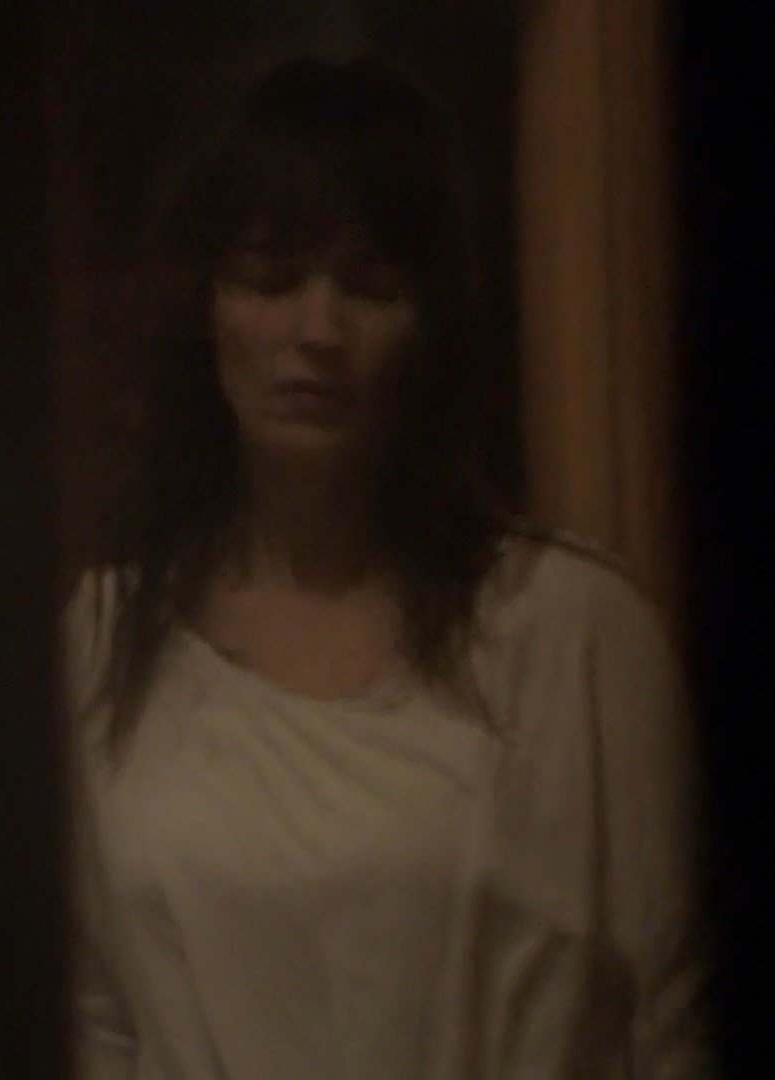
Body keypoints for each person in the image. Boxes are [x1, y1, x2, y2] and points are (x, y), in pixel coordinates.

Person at [60, 55, 717, 1079]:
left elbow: (675, 1022)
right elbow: (100, 1019)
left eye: (369, 287)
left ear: (427, 323)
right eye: (272, 277)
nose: (318, 331)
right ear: (206, 307)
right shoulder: (106, 640)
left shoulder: (571, 631)